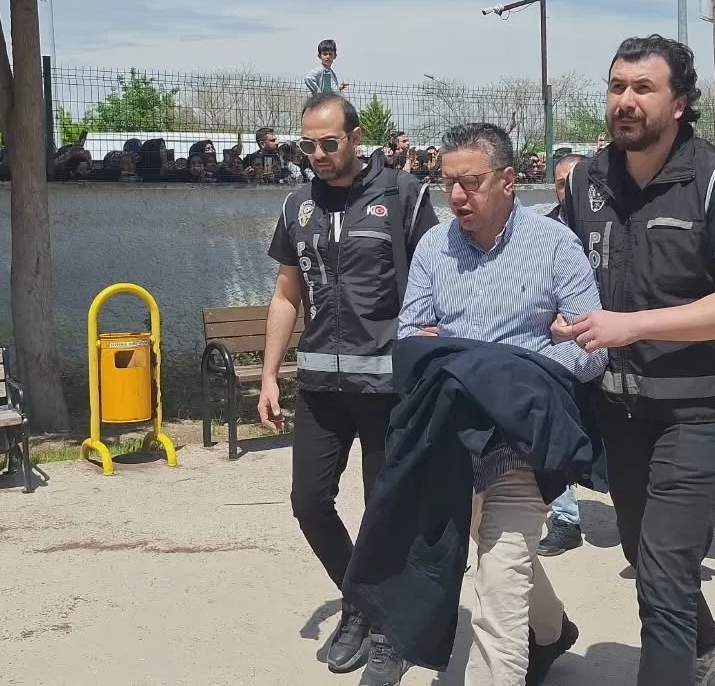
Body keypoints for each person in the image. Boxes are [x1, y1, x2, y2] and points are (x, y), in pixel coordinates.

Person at [559, 35, 715, 685]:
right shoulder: (587, 180)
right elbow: (561, 272)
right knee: (638, 548)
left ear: (679, 103)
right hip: (618, 409)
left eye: (643, 88)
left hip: (698, 408)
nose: (625, 100)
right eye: (616, 86)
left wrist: (632, 325)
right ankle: (702, 646)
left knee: (663, 572)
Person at [371, 122, 606, 686]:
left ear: (507, 180)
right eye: (446, 181)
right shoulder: (433, 247)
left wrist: (510, 376)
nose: (456, 196)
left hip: (520, 448)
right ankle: (552, 631)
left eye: (470, 182)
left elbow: (593, 349)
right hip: (450, 445)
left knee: (497, 595)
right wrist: (498, 361)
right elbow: (411, 341)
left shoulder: (555, 246)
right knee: (501, 558)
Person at [258, 93, 436, 679]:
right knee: (309, 503)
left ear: (356, 139)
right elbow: (287, 293)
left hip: (389, 387)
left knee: (385, 512)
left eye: (329, 143)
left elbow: (436, 280)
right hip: (320, 387)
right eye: (307, 144)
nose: (317, 154)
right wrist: (269, 375)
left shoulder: (403, 195)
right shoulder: (297, 206)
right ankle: (360, 601)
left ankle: (389, 632)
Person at [539, 150, 589, 555]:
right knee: (552, 428)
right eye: (560, 183)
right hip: (558, 349)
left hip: (607, 347)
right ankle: (566, 517)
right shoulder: (543, 231)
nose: (567, 190)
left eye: (575, 181)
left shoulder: (608, 223)